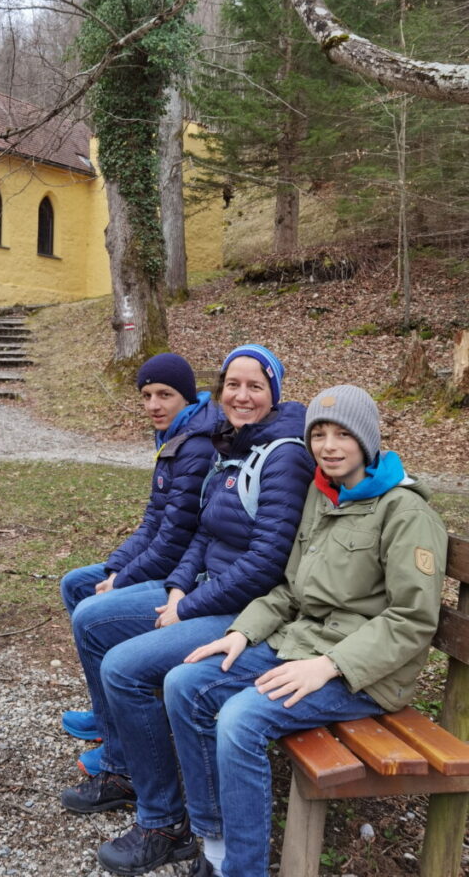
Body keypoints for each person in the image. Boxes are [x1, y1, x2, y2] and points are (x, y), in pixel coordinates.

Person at [95, 384, 448, 877]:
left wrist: (330, 666)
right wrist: (243, 631)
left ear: (367, 440)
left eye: (342, 434)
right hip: (300, 645)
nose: (328, 445)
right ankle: (214, 843)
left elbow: (412, 620)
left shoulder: (404, 512)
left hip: (363, 674)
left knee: (241, 719)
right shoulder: (324, 497)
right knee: (184, 683)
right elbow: (289, 589)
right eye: (319, 434)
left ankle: (243, 869)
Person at [60, 343, 314, 814]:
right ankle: (126, 766)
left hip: (245, 613)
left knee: (118, 660)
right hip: (203, 592)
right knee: (91, 618)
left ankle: (160, 815)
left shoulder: (283, 458)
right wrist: (179, 585)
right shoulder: (235, 446)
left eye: (254, 387)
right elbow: (200, 530)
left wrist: (186, 606)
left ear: (273, 394)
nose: (241, 396)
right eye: (232, 386)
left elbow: (264, 565)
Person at [59, 353, 223, 769]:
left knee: (90, 615)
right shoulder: (173, 437)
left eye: (164, 394)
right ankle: (106, 716)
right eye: (146, 395)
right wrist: (116, 567)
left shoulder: (197, 446)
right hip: (167, 561)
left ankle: (120, 751)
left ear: (186, 396)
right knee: (77, 584)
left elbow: (173, 540)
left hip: (184, 573)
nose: (153, 404)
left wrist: (123, 578)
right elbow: (153, 520)